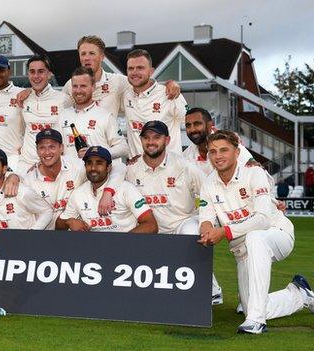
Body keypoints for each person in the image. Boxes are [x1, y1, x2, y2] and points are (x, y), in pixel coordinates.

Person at [198, 130, 314, 334]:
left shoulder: (254, 173)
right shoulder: (208, 183)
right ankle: (298, 294)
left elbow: (262, 219)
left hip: (276, 234)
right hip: (242, 250)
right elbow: (205, 217)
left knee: (254, 237)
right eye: (213, 151)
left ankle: (256, 321)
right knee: (251, 304)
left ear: (237, 152)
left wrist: (224, 232)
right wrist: (207, 231)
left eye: (224, 150)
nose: (218, 156)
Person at [126, 120, 223, 305]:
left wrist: (209, 221)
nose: (151, 142)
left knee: (191, 231)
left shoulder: (185, 166)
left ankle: (210, 288)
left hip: (182, 223)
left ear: (167, 140)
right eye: (146, 138)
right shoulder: (132, 169)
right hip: (151, 229)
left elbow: (209, 191)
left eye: (156, 137)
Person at [57, 146, 158, 233]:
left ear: (109, 167)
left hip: (125, 248)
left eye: (99, 163)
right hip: (92, 249)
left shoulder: (126, 189)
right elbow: (59, 226)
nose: (93, 168)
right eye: (89, 163)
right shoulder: (78, 193)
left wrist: (120, 243)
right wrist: (69, 222)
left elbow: (151, 225)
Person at [122, 49, 187, 158]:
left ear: (151, 71)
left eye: (140, 68)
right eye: (131, 68)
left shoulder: (169, 93)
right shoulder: (125, 95)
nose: (134, 72)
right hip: (136, 170)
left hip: (169, 170)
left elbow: (192, 123)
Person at [57, 67, 128, 160]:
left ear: (93, 87)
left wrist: (97, 153)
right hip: (71, 174)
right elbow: (55, 146)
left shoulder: (105, 116)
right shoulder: (63, 115)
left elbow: (123, 148)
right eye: (75, 86)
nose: (78, 90)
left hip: (97, 173)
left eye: (83, 86)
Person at [18, 55, 69, 172]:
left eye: (41, 71)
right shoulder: (23, 98)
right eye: (32, 72)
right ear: (28, 74)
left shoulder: (63, 99)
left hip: (52, 164)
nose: (36, 76)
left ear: (49, 74)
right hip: (25, 164)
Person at [183, 107, 254, 175]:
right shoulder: (185, 156)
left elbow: (254, 171)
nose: (192, 130)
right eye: (188, 126)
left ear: (209, 125)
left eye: (197, 124)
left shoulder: (230, 144)